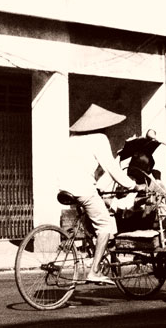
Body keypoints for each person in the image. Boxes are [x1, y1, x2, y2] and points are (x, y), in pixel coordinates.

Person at [60, 104, 144, 285]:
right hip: (83, 189)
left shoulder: (71, 139)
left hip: (65, 188)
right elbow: (112, 168)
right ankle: (94, 271)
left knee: (93, 217)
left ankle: (95, 251)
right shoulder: (99, 138)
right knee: (105, 226)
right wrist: (133, 186)